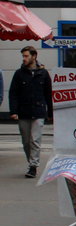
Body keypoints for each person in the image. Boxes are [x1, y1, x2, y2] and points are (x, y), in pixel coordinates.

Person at [9, 45, 54, 178]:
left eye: (26, 56)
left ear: (34, 56)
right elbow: (13, 93)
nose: (24, 58)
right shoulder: (19, 73)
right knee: (26, 141)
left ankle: (33, 166)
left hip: (38, 111)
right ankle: (31, 161)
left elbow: (48, 94)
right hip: (23, 111)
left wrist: (50, 113)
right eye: (23, 56)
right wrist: (13, 111)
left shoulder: (43, 73)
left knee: (35, 140)